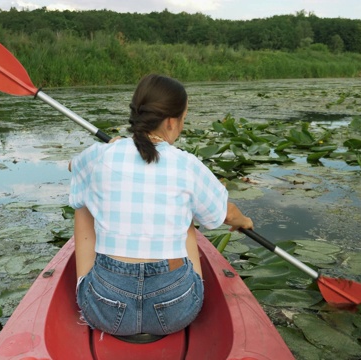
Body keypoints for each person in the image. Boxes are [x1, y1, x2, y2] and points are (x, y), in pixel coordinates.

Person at [68, 74, 253, 336]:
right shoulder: (187, 164)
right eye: (184, 119)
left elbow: (73, 167)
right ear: (170, 121)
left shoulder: (100, 156)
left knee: (83, 196)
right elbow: (227, 214)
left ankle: (84, 285)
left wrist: (111, 148)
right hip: (175, 310)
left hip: (106, 311)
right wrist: (244, 221)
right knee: (186, 212)